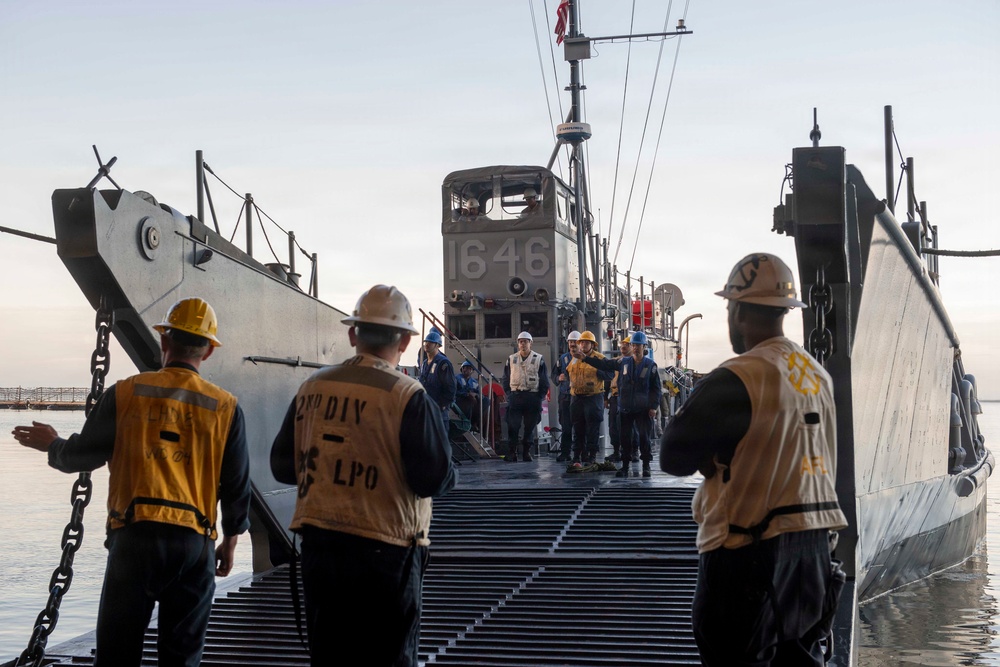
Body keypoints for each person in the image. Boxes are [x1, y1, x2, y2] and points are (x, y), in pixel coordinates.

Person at [12, 297, 251, 667]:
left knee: (117, 655)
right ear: (208, 352)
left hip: (135, 540)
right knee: (181, 658)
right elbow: (236, 487)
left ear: (164, 343)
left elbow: (83, 456)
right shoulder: (225, 407)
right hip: (194, 542)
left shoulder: (126, 393)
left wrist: (53, 444)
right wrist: (230, 544)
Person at [659, 253, 848, 666]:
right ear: (785, 310)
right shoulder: (818, 374)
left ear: (739, 311)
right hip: (814, 556)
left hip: (747, 554)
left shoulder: (738, 375)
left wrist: (710, 457)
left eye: (730, 308)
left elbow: (672, 456)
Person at [270, 284, 457, 667]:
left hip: (320, 549)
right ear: (405, 341)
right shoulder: (408, 395)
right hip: (386, 553)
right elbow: (432, 479)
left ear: (353, 334)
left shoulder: (312, 387)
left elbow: (282, 466)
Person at [579, 331, 661, 477]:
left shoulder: (651, 366)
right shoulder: (623, 362)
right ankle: (624, 466)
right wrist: (586, 359)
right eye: (633, 345)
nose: (635, 348)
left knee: (644, 438)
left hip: (643, 409)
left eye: (638, 345)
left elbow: (656, 388)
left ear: (644, 347)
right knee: (625, 438)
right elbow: (604, 364)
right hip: (626, 408)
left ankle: (646, 466)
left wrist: (653, 407)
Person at [501, 331, 549, 462]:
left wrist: (540, 396)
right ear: (518, 343)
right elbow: (505, 378)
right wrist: (509, 394)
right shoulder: (511, 359)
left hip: (532, 397)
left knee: (529, 427)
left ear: (531, 343)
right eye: (521, 341)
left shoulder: (539, 359)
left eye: (525, 341)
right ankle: (512, 452)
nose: (523, 344)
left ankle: (527, 452)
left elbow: (544, 379)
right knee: (513, 425)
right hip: (516, 396)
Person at [566, 330, 614, 463]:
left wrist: (599, 372)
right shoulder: (574, 358)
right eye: (582, 342)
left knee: (592, 428)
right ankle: (577, 455)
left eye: (587, 342)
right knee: (578, 428)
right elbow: (568, 373)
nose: (584, 345)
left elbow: (610, 374)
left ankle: (591, 455)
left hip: (593, 397)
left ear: (592, 345)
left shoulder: (599, 358)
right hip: (577, 398)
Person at [419, 327, 456, 435]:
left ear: (437, 345)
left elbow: (450, 387)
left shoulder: (443, 363)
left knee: (440, 443)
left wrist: (442, 405)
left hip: (439, 411)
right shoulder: (425, 363)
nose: (427, 344)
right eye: (426, 342)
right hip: (427, 410)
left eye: (431, 342)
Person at [551, 330, 580, 462]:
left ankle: (581, 453)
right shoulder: (563, 359)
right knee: (566, 426)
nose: (572, 344)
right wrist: (558, 378)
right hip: (565, 397)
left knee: (580, 427)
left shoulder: (585, 358)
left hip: (580, 397)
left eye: (575, 342)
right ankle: (565, 452)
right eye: (570, 342)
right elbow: (553, 375)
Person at [606, 335, 632, 463]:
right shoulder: (616, 362)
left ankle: (633, 452)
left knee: (630, 427)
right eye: (622, 345)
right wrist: (606, 397)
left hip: (629, 398)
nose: (623, 347)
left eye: (626, 345)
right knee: (613, 426)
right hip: (615, 397)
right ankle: (616, 451)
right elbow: (607, 379)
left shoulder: (636, 362)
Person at [455, 359, 480, 430]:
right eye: (465, 368)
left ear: (472, 370)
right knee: (470, 400)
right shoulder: (457, 378)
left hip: (473, 401)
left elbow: (478, 392)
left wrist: (475, 395)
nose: (467, 370)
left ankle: (475, 423)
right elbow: (454, 391)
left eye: (470, 368)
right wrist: (466, 394)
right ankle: (468, 424)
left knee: (484, 401)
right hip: (460, 401)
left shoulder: (474, 382)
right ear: (462, 369)